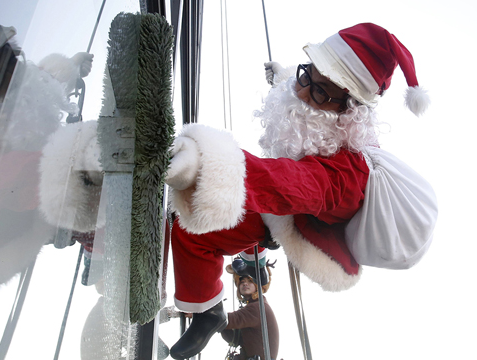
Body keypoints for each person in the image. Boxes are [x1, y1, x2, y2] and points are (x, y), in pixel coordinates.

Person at [166, 23, 438, 360]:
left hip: (295, 219)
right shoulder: (312, 103)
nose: (302, 93)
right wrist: (285, 76)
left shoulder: (346, 176)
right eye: (305, 75)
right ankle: (207, 308)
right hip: (278, 196)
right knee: (185, 226)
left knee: (198, 221)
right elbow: (301, 98)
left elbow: (290, 182)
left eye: (320, 92)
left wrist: (205, 162)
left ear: (349, 111)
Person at [221, 259, 279, 360]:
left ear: (257, 286)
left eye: (250, 281)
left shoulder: (257, 307)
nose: (245, 284)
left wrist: (203, 313)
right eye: (242, 282)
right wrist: (219, 326)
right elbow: (236, 339)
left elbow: (229, 319)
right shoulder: (255, 306)